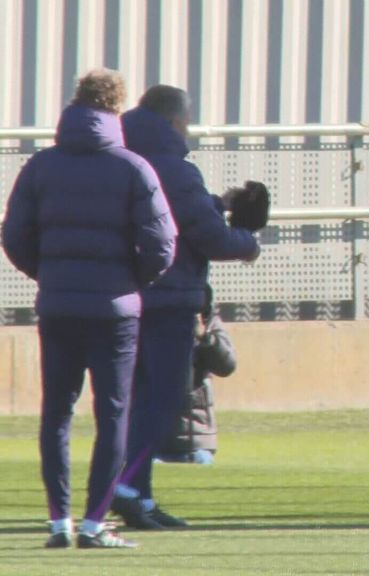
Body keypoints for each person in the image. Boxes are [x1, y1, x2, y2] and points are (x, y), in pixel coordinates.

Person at [2, 69, 177, 548]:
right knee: (113, 414)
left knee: (56, 414)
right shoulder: (133, 167)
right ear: (117, 109)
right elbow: (163, 244)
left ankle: (59, 521)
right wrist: (131, 282)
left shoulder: (40, 166)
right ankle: (96, 524)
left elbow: (14, 236)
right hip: (115, 312)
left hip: (58, 306)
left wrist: (50, 275)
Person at [111, 85, 261, 529]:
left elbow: (180, 215)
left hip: (123, 299)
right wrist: (248, 243)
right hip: (170, 300)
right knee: (164, 398)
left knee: (134, 401)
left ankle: (138, 494)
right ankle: (129, 489)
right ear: (175, 121)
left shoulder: (120, 159)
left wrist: (219, 204)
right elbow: (208, 237)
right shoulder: (174, 168)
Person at [154, 285, 234, 465]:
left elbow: (227, 366)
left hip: (197, 438)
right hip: (155, 439)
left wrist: (205, 338)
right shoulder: (152, 318)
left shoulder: (208, 319)